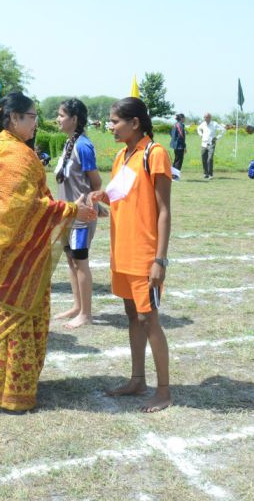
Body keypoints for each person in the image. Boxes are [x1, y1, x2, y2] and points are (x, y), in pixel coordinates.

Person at [0, 92, 96, 413]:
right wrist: (70, 210)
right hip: (18, 258)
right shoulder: (16, 155)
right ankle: (11, 391)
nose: (36, 123)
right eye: (32, 117)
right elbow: (24, 207)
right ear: (14, 118)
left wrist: (66, 209)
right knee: (19, 317)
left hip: (1, 255)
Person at [90, 97, 173, 413]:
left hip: (144, 255)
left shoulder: (155, 154)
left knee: (148, 319)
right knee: (132, 316)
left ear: (135, 123)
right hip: (121, 252)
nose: (110, 126)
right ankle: (137, 380)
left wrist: (159, 259)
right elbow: (121, 199)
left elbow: (163, 211)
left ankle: (163, 391)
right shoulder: (121, 156)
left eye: (115, 121)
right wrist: (102, 198)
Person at [52, 98, 103, 329]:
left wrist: (92, 205)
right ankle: (77, 306)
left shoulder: (83, 146)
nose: (58, 119)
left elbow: (96, 182)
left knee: (80, 262)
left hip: (81, 217)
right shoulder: (69, 142)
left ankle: (86, 313)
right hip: (68, 213)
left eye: (62, 115)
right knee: (71, 261)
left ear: (74, 119)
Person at [196, 112, 224, 180]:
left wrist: (217, 137)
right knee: (203, 158)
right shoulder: (203, 124)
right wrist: (201, 135)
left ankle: (210, 174)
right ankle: (206, 173)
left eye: (206, 117)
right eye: (204, 117)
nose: (205, 119)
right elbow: (198, 128)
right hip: (204, 144)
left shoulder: (214, 124)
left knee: (210, 159)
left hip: (211, 143)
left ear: (210, 118)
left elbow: (223, 130)